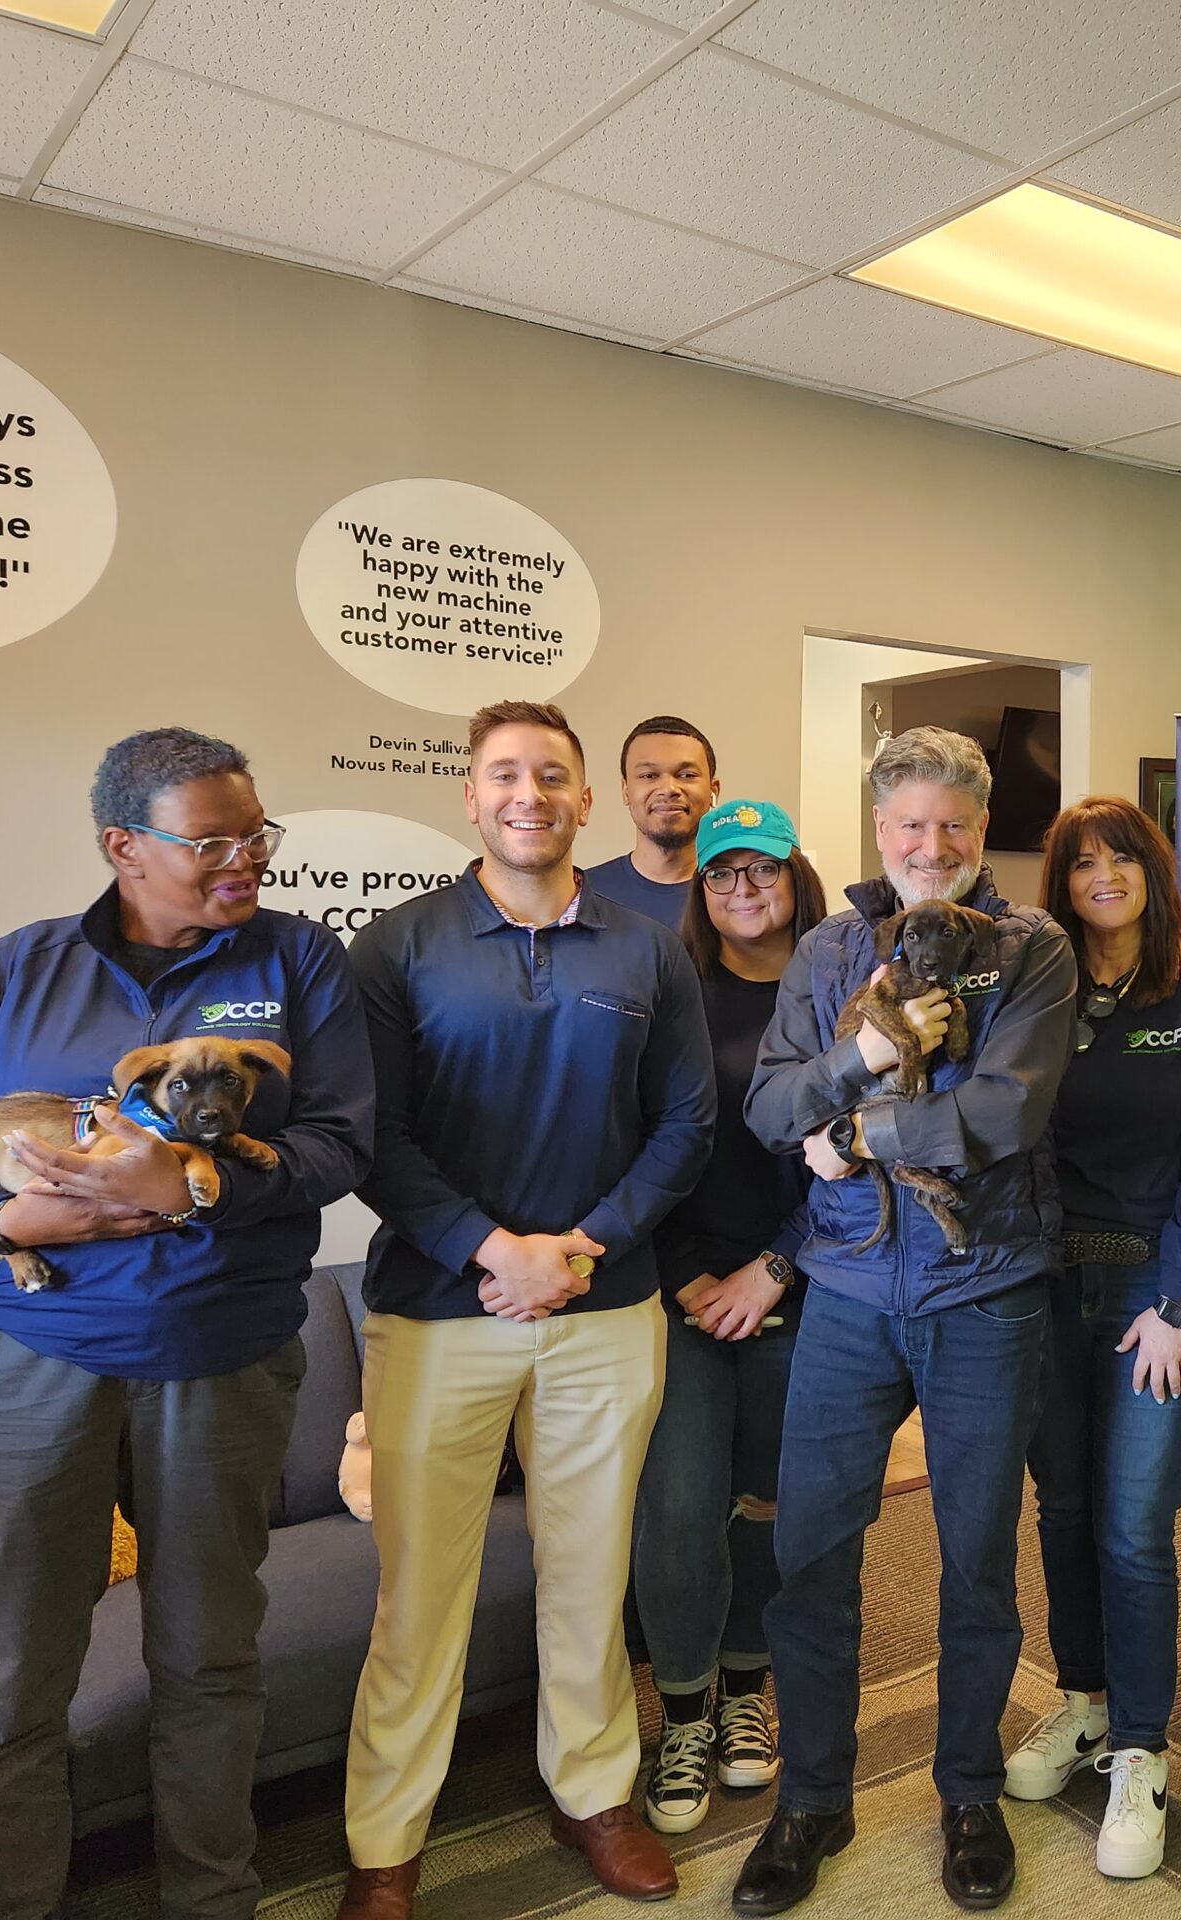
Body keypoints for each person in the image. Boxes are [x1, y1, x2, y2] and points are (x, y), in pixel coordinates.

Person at [0, 727, 375, 1920]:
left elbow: (342, 1144)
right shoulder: (15, 972)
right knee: (12, 1675)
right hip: (33, 1369)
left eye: (257, 832)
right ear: (125, 848)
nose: (247, 858)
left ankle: (211, 1896)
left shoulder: (299, 963)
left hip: (222, 1368)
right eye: (213, 840)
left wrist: (192, 1186)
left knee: (212, 1664)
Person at [337, 700, 715, 1917]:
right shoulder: (396, 947)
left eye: (551, 774)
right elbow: (371, 1137)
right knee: (419, 1595)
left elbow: (686, 1124)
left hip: (607, 1310)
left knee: (590, 1573)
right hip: (440, 1316)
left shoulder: (647, 947)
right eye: (505, 774)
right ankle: (384, 1843)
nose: (529, 795)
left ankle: (594, 1794)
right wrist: (495, 1248)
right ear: (469, 795)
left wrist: (585, 1248)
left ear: (582, 798)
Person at [732, 726, 1077, 1917]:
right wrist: (858, 1060)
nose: (931, 847)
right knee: (808, 1556)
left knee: (976, 1559)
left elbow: (1004, 1114)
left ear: (982, 833)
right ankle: (812, 1798)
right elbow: (771, 1103)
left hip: (984, 1293)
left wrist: (855, 1137)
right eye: (908, 826)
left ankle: (968, 1792)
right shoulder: (829, 949)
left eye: (954, 826)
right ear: (878, 830)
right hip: (846, 1293)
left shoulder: (1031, 949)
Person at [1001, 798, 1181, 1879]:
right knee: (1058, 1505)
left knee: (1136, 1523)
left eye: (1120, 857)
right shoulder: (1035, 986)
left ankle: (1143, 1751)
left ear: (1154, 870)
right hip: (1044, 1277)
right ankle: (1085, 1705)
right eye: (1080, 861)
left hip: (1153, 1281)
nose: (1102, 874)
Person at [631, 799, 828, 1835]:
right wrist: (678, 1275)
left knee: (767, 1500)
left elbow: (861, 1158)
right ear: (699, 892)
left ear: (796, 877)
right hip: (679, 1288)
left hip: (797, 1282)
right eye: (722, 875)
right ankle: (680, 1715)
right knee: (679, 1501)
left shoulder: (838, 993)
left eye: (762, 870)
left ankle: (747, 1696)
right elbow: (634, 1146)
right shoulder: (670, 995)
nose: (744, 890)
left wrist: (773, 1271)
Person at [583, 715, 720, 925]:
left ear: (713, 790)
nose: (668, 789)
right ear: (626, 791)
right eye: (649, 776)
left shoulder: (739, 894)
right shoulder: (583, 895)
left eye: (687, 775)